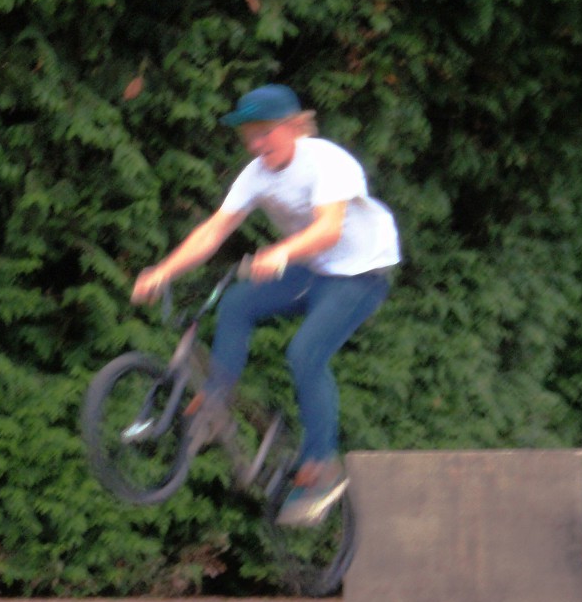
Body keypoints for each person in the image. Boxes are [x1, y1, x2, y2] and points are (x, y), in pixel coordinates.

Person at [131, 84, 400, 527]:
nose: (256, 146)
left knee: (305, 354)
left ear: (294, 128)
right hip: (313, 271)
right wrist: (163, 271)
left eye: (265, 134)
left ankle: (322, 465)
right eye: (248, 137)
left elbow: (329, 229)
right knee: (236, 304)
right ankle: (216, 402)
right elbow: (213, 232)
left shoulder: (328, 163)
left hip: (360, 274)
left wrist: (281, 253)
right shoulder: (255, 174)